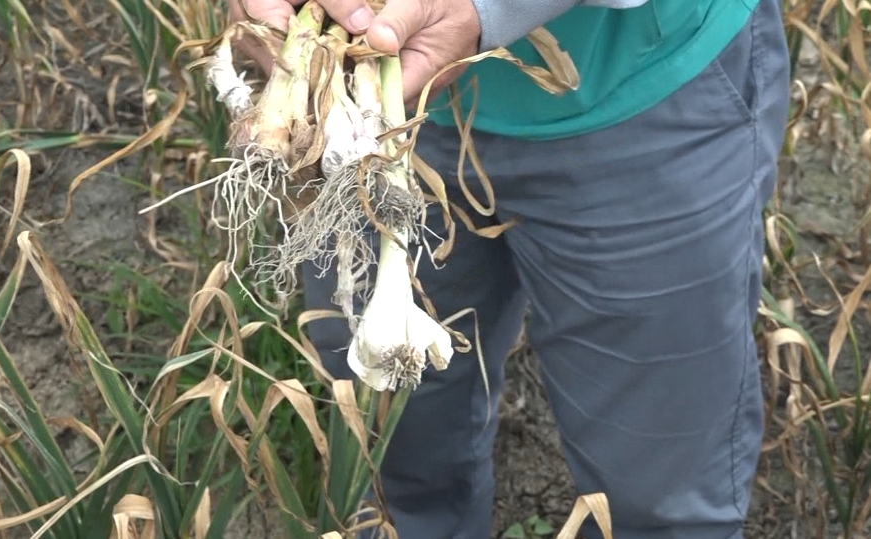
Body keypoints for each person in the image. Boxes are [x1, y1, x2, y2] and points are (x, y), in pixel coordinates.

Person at [228, 0, 791, 538]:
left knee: (655, 493)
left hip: (640, 83)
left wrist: (491, 11)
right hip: (368, 112)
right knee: (393, 446)